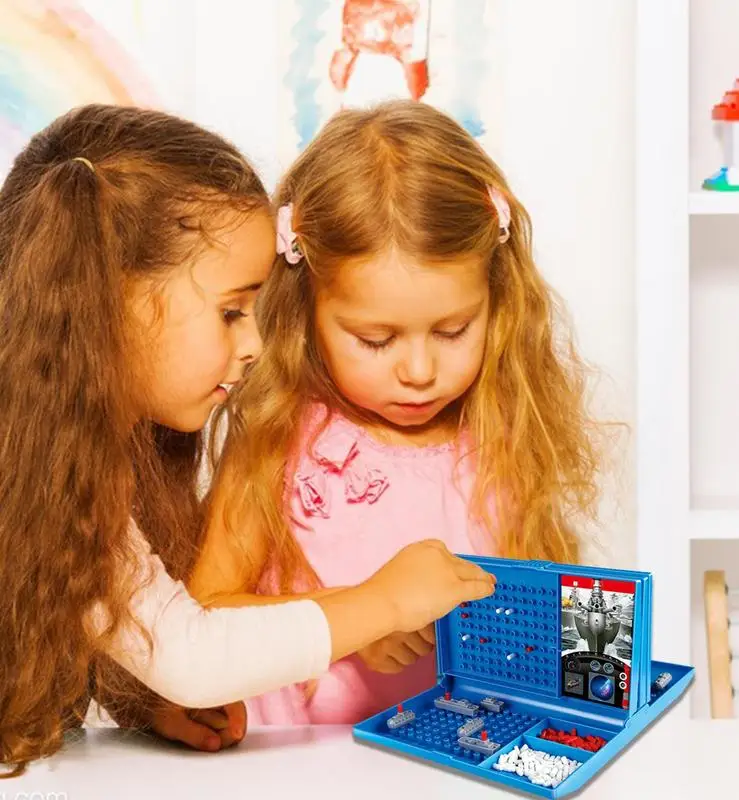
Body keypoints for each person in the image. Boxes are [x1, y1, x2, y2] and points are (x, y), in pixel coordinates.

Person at [0, 103, 496, 774]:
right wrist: (382, 604)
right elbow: (195, 653)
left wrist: (143, 702)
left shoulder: (73, 466)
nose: (256, 344)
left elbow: (149, 635)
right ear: (112, 304)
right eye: (232, 312)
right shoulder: (37, 467)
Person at [191, 100, 601, 726]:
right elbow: (206, 616)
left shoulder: (506, 432)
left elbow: (541, 629)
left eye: (453, 329)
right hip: (294, 766)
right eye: (376, 340)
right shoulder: (282, 438)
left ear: (497, 301)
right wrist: (360, 615)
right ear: (306, 311)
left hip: (455, 763)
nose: (418, 371)